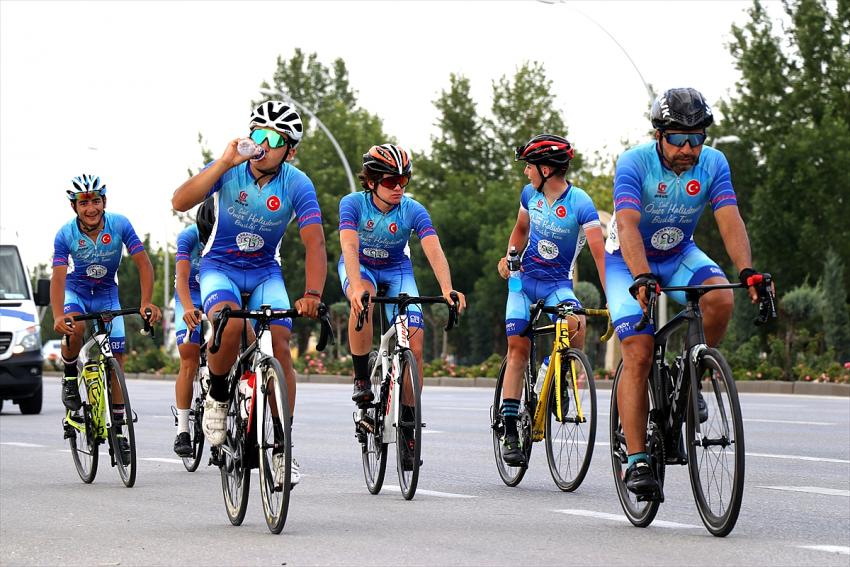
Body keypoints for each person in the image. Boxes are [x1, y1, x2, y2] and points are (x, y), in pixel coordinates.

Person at [605, 87, 768, 498]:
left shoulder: (713, 164)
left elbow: (729, 217)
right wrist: (641, 277)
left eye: (697, 138)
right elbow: (626, 225)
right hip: (627, 260)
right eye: (678, 138)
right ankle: (638, 460)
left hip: (678, 252)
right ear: (659, 134)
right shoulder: (634, 162)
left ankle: (691, 370)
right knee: (639, 352)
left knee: (720, 296)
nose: (688, 148)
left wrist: (746, 271)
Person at [171, 101, 326, 486]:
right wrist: (222, 163)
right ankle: (220, 397)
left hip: (264, 273)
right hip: (219, 268)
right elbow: (179, 202)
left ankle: (281, 448)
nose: (261, 144)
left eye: (272, 139)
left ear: (289, 150)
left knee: (282, 341)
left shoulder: (297, 183)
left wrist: (311, 293)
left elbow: (315, 244)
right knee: (228, 326)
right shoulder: (230, 169)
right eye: (256, 133)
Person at [339, 143, 466, 468]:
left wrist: (448, 289)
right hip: (361, 267)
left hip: (397, 270)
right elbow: (350, 247)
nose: (398, 188)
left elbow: (433, 249)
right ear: (370, 181)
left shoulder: (412, 209)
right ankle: (362, 378)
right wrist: (354, 287)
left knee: (416, 344)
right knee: (364, 298)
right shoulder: (352, 204)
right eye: (390, 181)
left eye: (403, 181)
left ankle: (408, 427)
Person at [496, 134, 606, 466]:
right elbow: (520, 229)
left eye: (530, 166)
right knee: (518, 348)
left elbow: (601, 256)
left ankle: (556, 373)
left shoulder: (581, 203)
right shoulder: (529, 193)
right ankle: (511, 428)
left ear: (546, 169)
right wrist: (509, 258)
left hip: (558, 283)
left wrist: (616, 296)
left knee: (576, 324)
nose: (526, 172)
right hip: (523, 282)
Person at [51, 174, 162, 462]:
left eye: (96, 201)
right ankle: (69, 376)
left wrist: (146, 302)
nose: (91, 208)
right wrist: (57, 315)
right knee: (75, 328)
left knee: (117, 360)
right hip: (76, 293)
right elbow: (58, 278)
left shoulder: (120, 224)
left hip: (106, 294)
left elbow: (143, 263)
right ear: (74, 206)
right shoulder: (65, 234)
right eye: (84, 202)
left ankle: (120, 432)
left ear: (105, 202)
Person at [171, 198, 214, 457]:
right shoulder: (188, 237)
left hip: (215, 293)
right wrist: (187, 308)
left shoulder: (228, 234)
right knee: (188, 355)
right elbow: (182, 279)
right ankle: (183, 429)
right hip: (190, 295)